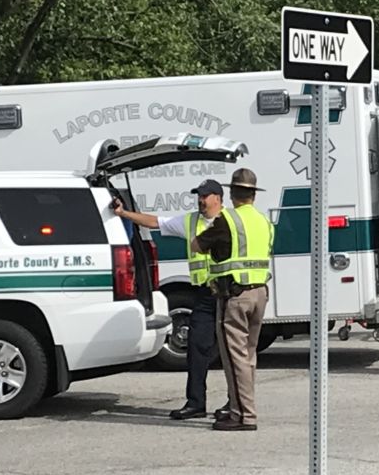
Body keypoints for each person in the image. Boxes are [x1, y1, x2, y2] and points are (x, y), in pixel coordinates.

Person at [114, 180, 225, 420]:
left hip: (229, 293)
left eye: (205, 196)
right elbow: (156, 222)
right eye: (199, 195)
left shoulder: (230, 221)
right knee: (196, 347)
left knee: (232, 351)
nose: (200, 200)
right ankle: (196, 403)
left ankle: (233, 404)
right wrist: (124, 213)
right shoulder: (191, 221)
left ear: (218, 197)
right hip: (205, 295)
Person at [191, 168, 275, 432]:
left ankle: (242, 415)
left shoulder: (226, 219)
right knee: (248, 356)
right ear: (253, 195)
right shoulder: (264, 221)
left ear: (231, 193)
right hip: (260, 294)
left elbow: (197, 245)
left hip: (234, 296)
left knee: (233, 357)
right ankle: (244, 410)